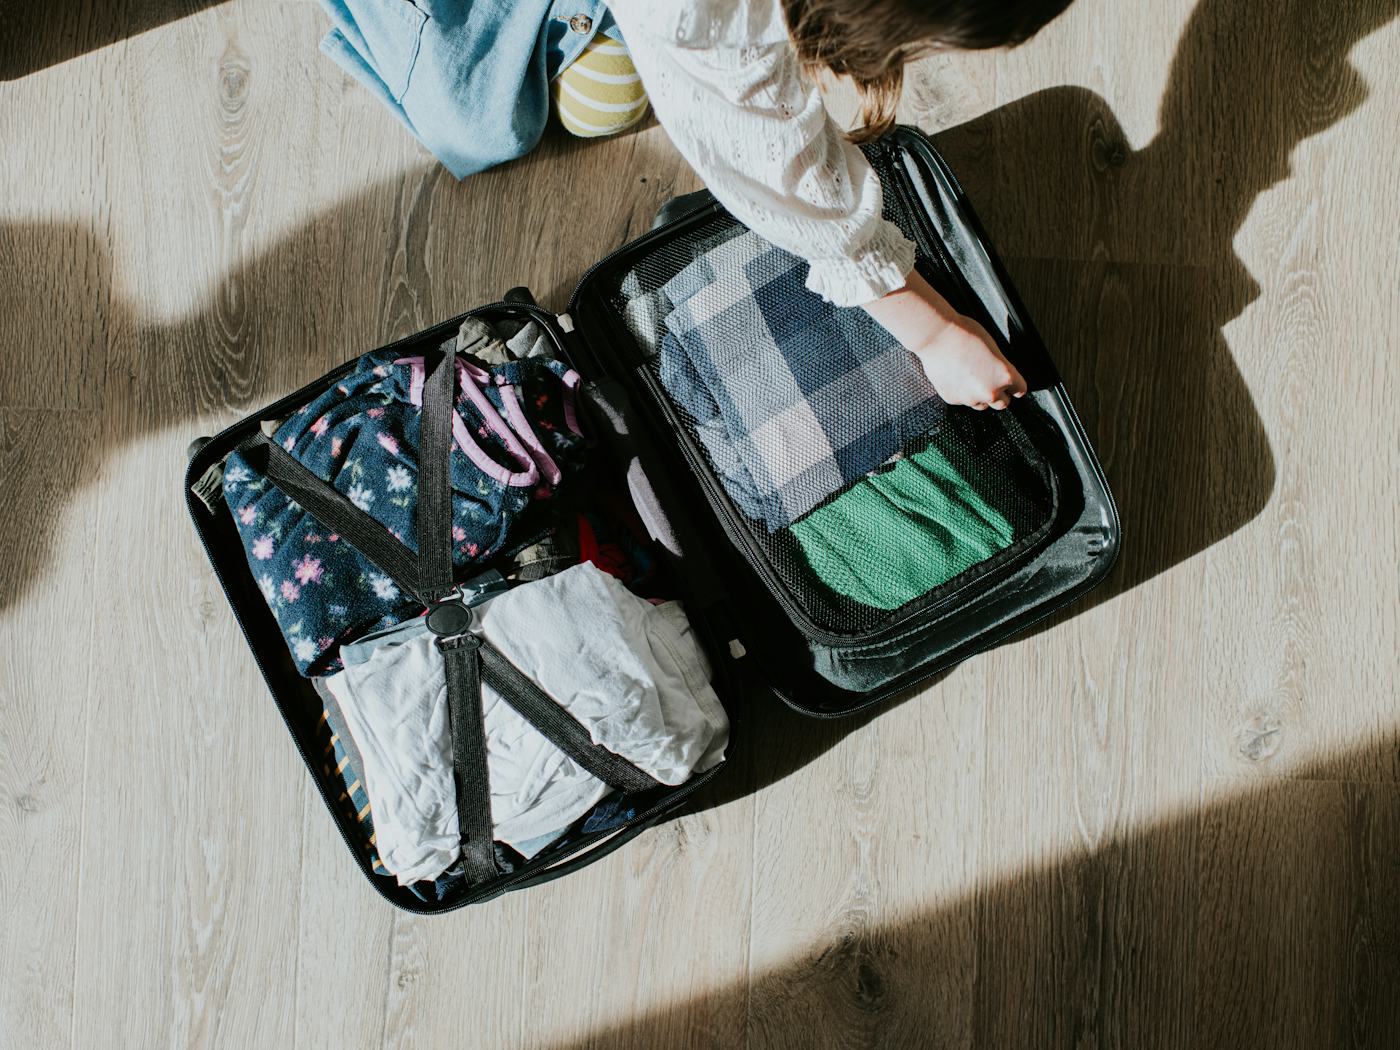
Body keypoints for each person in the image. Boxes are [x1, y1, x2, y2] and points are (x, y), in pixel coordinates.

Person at [319, 0, 1072, 408]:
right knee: (485, 117)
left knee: (604, 86)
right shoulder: (712, 21)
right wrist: (933, 333)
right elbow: (783, 169)